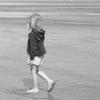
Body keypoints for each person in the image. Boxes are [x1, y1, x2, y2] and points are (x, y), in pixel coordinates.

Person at [26, 13, 56, 93]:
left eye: (27, 23)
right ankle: (49, 81)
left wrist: (32, 58)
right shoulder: (40, 31)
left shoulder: (32, 34)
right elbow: (40, 43)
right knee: (35, 70)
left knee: (33, 70)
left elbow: (33, 47)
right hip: (41, 52)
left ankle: (36, 88)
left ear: (31, 24)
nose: (26, 25)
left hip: (35, 54)